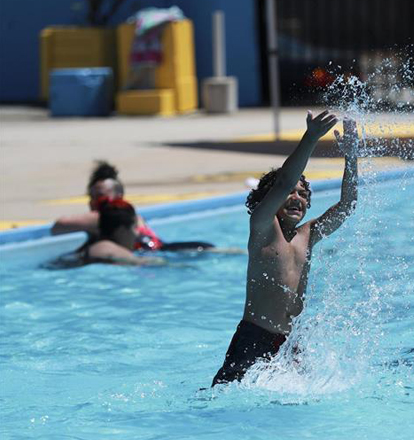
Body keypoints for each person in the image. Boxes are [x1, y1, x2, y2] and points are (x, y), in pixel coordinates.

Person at [212, 111, 359, 386]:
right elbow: (281, 181)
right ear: (270, 199)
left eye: (303, 194)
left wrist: (351, 159)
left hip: (291, 343)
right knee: (223, 403)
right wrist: (311, 138)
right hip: (255, 339)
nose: (296, 198)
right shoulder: (263, 227)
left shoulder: (308, 235)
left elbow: (348, 205)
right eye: (290, 192)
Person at [52, 161, 214, 251]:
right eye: (91, 197)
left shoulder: (111, 216)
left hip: (154, 253)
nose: (94, 202)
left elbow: (59, 226)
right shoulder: (123, 215)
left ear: (119, 197)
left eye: (100, 196)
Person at [79, 197, 163, 266]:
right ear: (122, 230)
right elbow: (139, 262)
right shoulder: (105, 247)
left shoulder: (92, 247)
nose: (137, 233)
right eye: (135, 227)